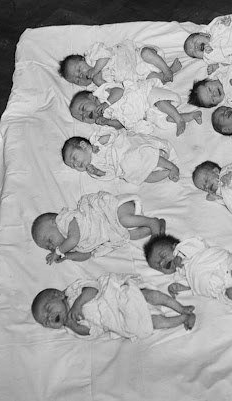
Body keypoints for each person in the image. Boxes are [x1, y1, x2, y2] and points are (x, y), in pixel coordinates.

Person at [31, 273, 195, 339]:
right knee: (153, 323)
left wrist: (77, 304)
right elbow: (91, 332)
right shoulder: (70, 327)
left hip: (115, 297)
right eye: (46, 321)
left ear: (58, 295)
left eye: (47, 310)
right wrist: (74, 326)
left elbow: (93, 289)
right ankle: (183, 318)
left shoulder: (73, 292)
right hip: (117, 319)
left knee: (150, 295)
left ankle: (180, 307)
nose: (50, 318)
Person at [31, 191, 165, 264]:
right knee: (131, 236)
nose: (51, 246)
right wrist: (67, 256)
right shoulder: (73, 245)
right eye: (48, 247)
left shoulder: (66, 221)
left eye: (48, 240)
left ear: (54, 221)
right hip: (115, 230)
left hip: (113, 211)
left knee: (124, 220)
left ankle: (151, 222)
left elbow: (74, 238)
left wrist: (58, 252)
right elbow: (86, 255)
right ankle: (157, 225)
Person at [144, 234, 232, 303]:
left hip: (224, 265)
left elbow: (199, 245)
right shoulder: (180, 273)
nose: (162, 263)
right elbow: (192, 283)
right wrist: (179, 287)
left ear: (174, 246)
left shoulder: (187, 246)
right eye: (158, 266)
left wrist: (183, 254)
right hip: (219, 284)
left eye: (162, 256)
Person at [69, 78, 202, 136]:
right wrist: (108, 122)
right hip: (145, 112)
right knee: (164, 121)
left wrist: (107, 103)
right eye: (82, 118)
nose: (85, 115)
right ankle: (191, 116)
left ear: (92, 97)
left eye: (82, 109)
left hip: (145, 95)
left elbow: (119, 92)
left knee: (159, 102)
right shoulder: (106, 115)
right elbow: (121, 124)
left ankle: (178, 119)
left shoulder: (103, 93)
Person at [62, 127, 180, 184]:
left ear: (82, 145)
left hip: (127, 151)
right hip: (125, 169)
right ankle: (167, 173)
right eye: (73, 166)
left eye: (74, 158)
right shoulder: (92, 169)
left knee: (148, 156)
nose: (76, 164)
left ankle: (172, 167)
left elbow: (114, 133)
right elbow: (110, 175)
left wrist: (101, 141)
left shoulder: (96, 141)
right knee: (143, 178)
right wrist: (97, 172)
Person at [59, 40, 181, 88]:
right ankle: (169, 73)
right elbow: (114, 90)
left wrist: (96, 69)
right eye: (77, 80)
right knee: (150, 82)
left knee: (147, 53)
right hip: (139, 75)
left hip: (136, 56)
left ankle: (166, 69)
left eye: (79, 69)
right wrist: (100, 83)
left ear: (83, 59)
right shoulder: (94, 87)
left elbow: (105, 55)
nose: (80, 76)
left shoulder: (92, 55)